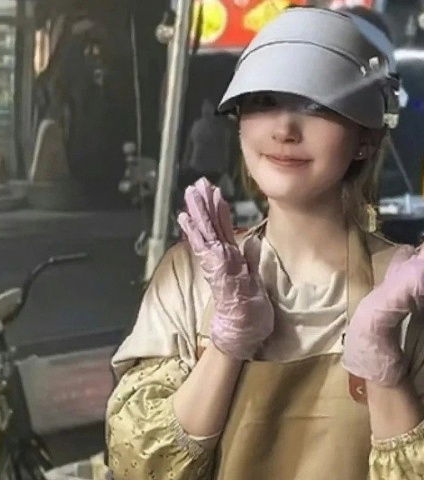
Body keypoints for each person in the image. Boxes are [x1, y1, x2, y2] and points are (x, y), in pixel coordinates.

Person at [105, 6, 424, 479]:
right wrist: (227, 343)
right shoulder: (190, 277)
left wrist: (381, 360)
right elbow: (141, 466)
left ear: (367, 139)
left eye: (317, 105)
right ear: (239, 124)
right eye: (265, 100)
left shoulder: (405, 291)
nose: (284, 130)